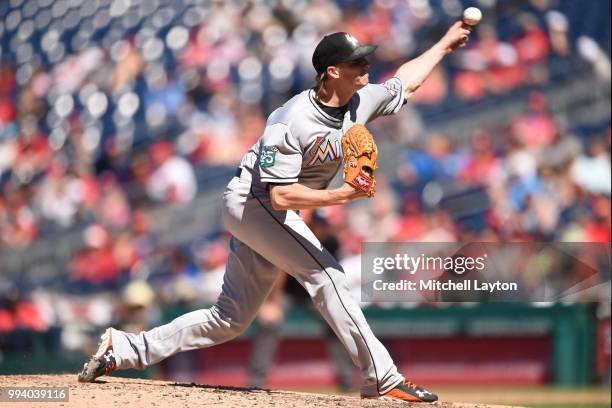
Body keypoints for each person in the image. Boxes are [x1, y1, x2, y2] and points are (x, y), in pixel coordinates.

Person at [78, 21, 472, 403]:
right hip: (252, 203)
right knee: (327, 275)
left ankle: (125, 347)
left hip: (272, 213)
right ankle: (383, 377)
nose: (366, 66)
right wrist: (344, 195)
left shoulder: (359, 102)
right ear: (332, 71)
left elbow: (405, 82)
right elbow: (281, 197)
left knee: (229, 319)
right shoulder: (291, 120)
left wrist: (443, 45)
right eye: (357, 62)